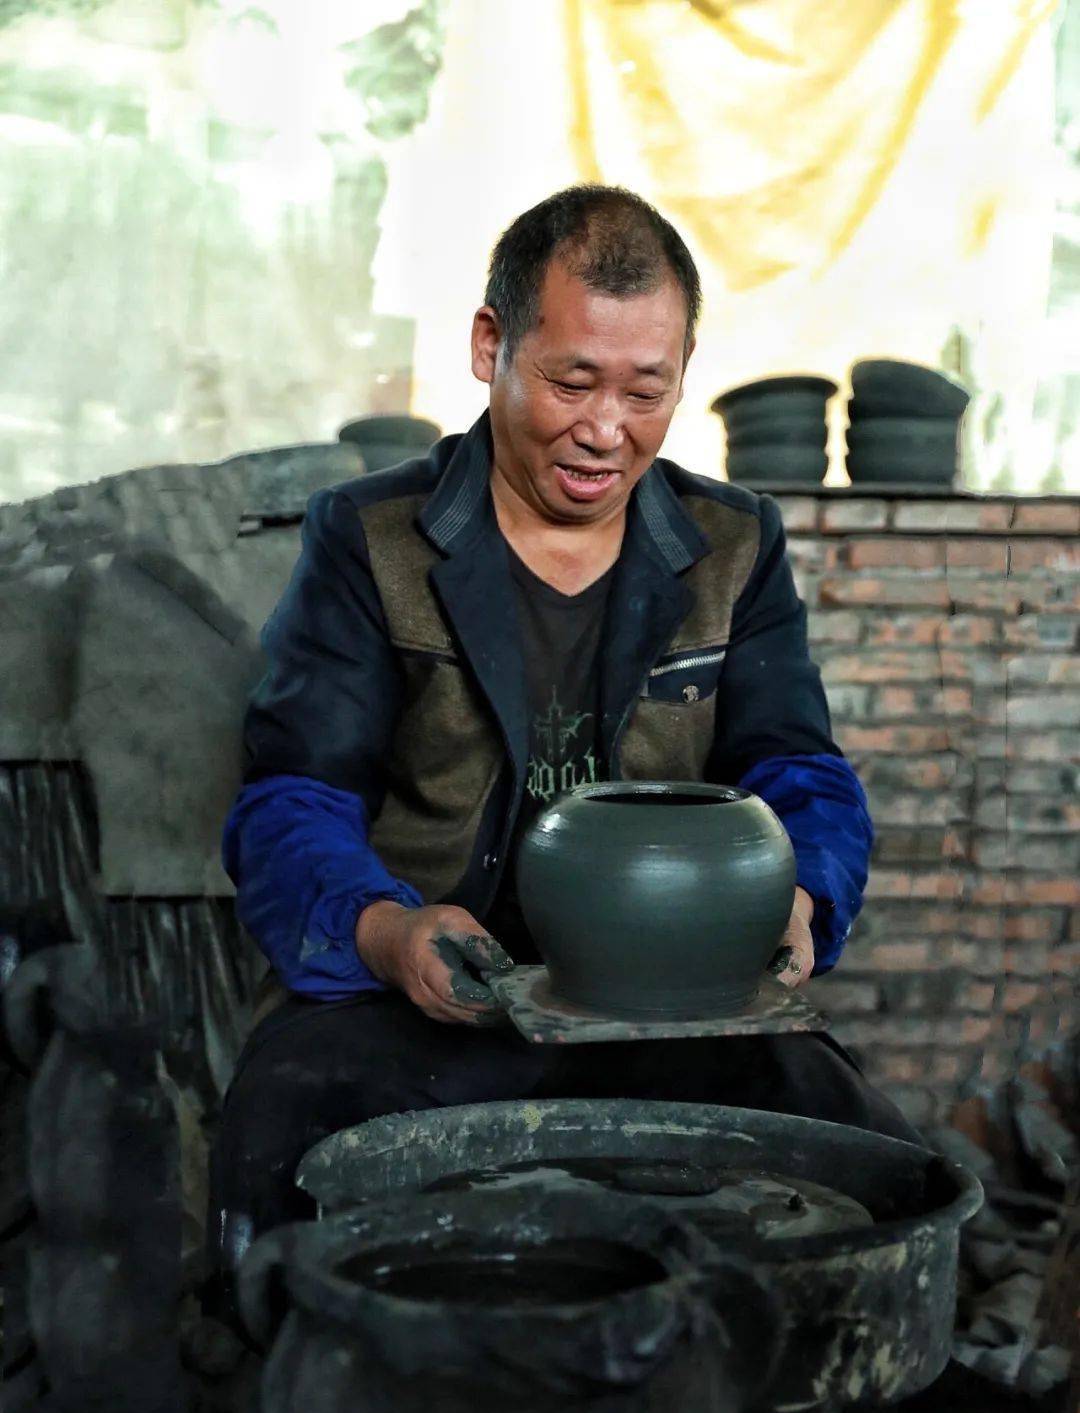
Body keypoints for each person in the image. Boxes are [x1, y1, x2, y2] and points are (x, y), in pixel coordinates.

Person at [208, 185, 919, 1291]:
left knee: (877, 1169)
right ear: (491, 347)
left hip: (665, 1005)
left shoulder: (733, 547)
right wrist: (390, 934)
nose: (607, 429)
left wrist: (806, 897)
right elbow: (293, 798)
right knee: (280, 1148)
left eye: (649, 389)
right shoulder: (371, 541)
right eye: (571, 379)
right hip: (431, 1005)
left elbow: (797, 769)